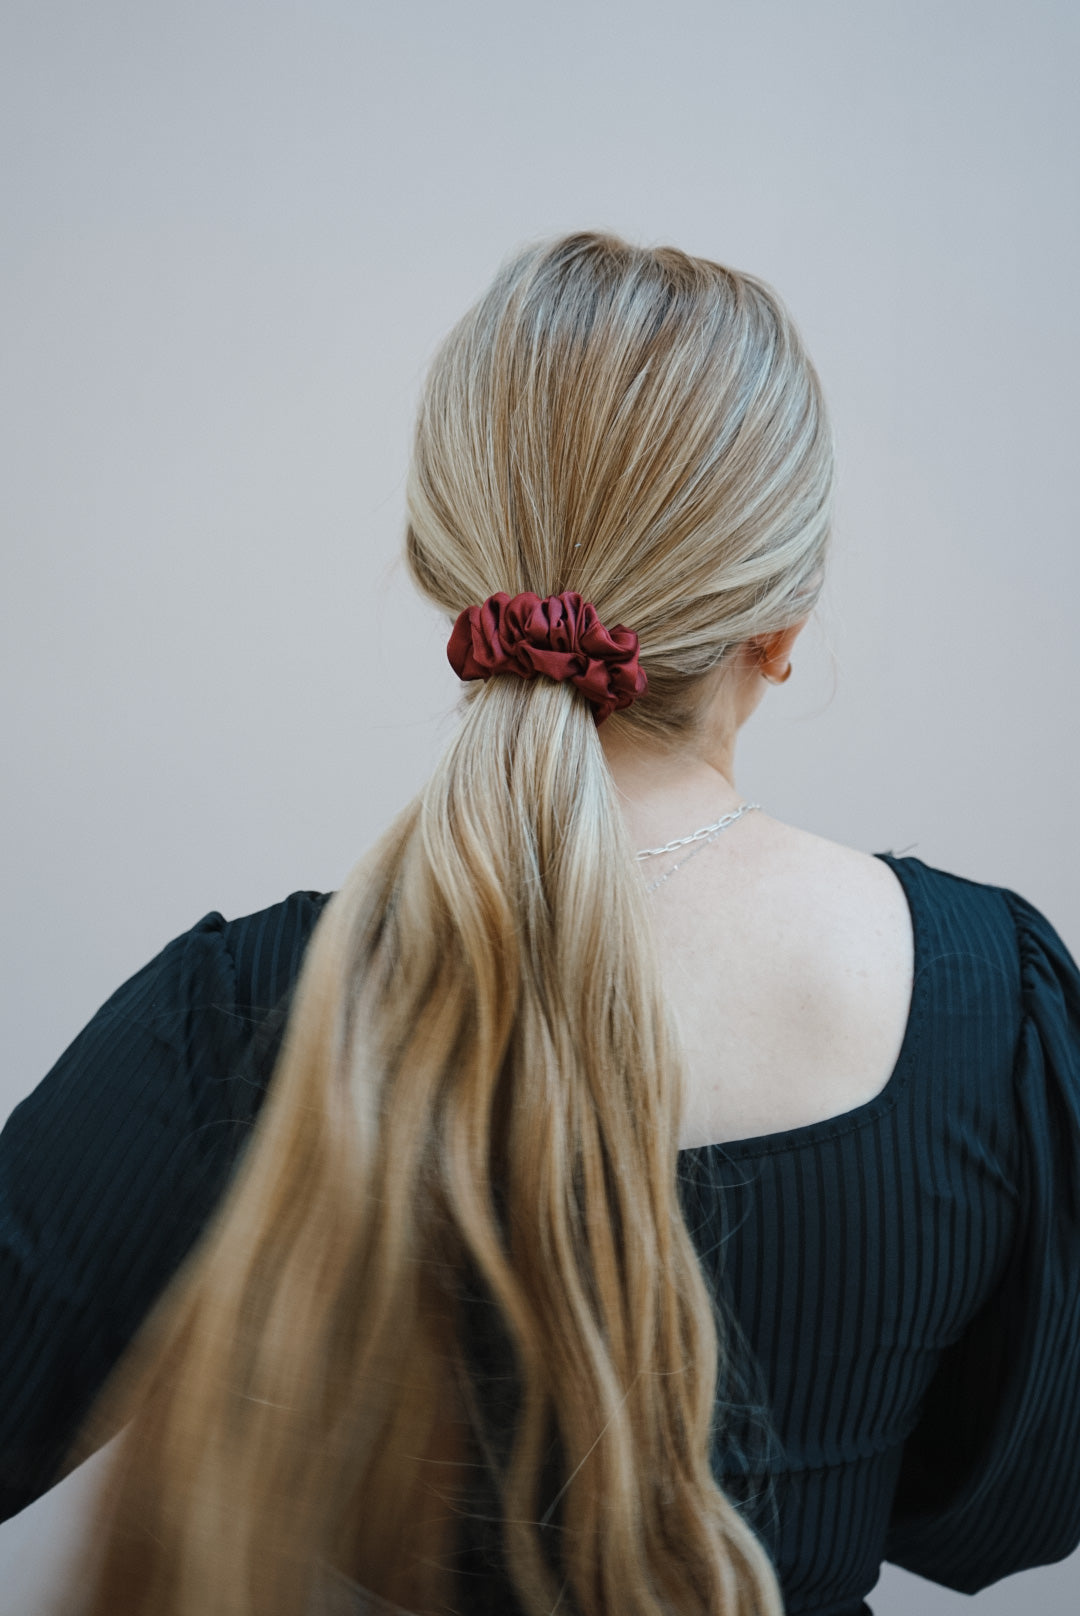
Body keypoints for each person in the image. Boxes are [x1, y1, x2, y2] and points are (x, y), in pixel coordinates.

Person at [2, 231, 1079, 1616]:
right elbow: (1004, 1508)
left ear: (448, 569)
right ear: (783, 620)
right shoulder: (994, 1009)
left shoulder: (243, 1014)